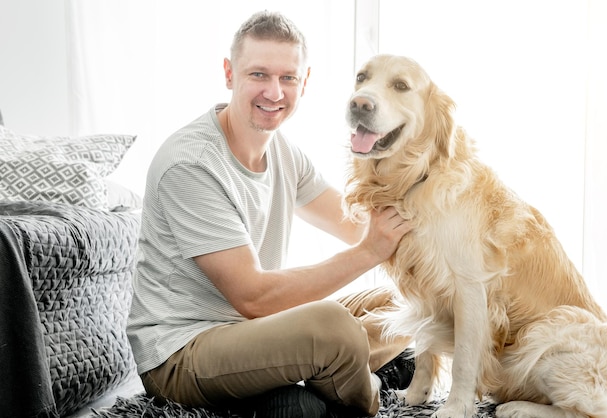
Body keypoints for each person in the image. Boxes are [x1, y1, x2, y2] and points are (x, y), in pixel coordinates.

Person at [126, 10, 414, 418]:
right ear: (230, 74)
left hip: (249, 335)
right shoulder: (190, 164)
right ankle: (363, 390)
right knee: (331, 326)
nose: (274, 93)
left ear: (305, 81)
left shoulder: (283, 153)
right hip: (181, 353)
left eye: (287, 78)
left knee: (404, 301)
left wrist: (424, 221)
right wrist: (370, 252)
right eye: (258, 75)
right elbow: (253, 297)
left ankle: (311, 379)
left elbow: (354, 224)